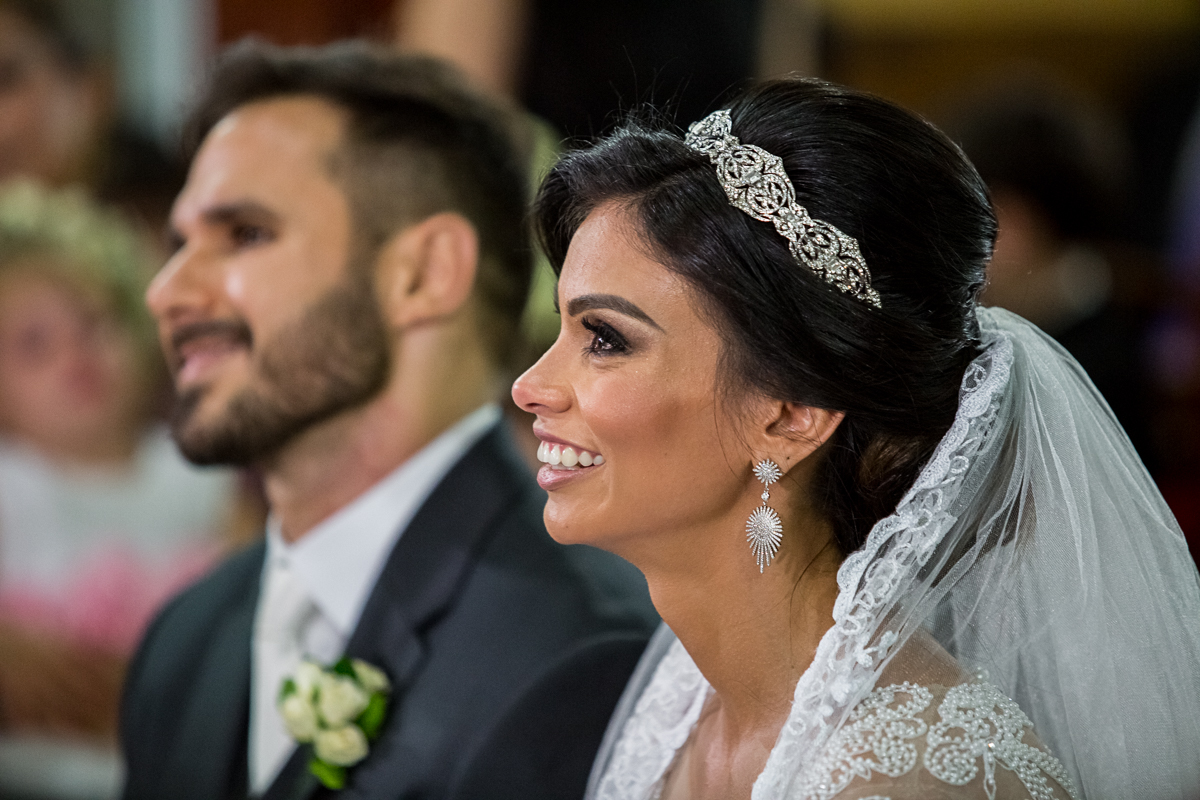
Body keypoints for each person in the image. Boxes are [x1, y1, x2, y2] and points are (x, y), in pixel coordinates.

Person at [512, 78, 1200, 799]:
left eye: (605, 339)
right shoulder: (686, 698)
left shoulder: (920, 777)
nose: (530, 385)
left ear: (790, 414)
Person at [120, 41, 657, 800]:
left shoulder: (583, 654)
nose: (167, 291)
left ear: (422, 273)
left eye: (244, 234)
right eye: (179, 244)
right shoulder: (186, 638)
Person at [0, 179, 239, 798]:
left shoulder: (202, 476)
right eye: (33, 344)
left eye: (94, 323)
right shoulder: (11, 488)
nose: (74, 355)